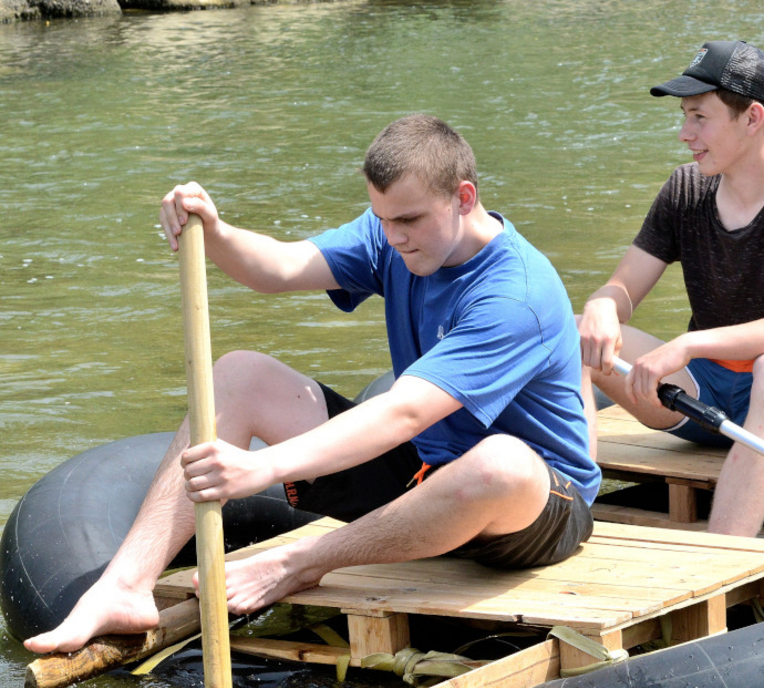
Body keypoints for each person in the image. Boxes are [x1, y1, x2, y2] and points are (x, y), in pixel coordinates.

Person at [25, 114, 601, 655]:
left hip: (536, 508)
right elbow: (276, 268)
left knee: (498, 461)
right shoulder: (393, 235)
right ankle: (125, 587)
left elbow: (403, 412)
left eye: (408, 221)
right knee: (240, 372)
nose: (393, 236)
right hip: (427, 473)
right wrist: (216, 229)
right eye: (382, 220)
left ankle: (296, 563)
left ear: (464, 198)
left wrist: (263, 468)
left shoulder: (514, 294)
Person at [578, 41, 764, 538]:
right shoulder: (685, 189)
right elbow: (624, 288)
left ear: (752, 118)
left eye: (699, 118)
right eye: (685, 117)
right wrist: (603, 303)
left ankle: (721, 561)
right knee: (577, 334)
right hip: (700, 393)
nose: (685, 134)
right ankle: (568, 511)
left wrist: (689, 343)